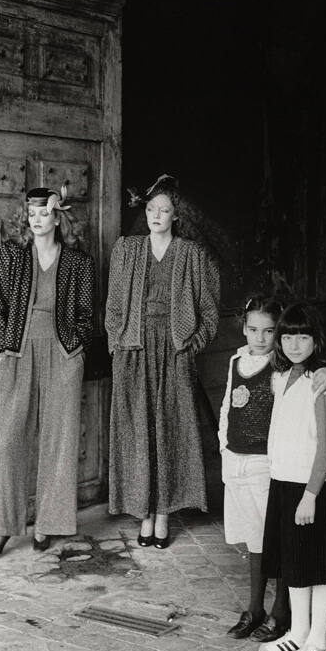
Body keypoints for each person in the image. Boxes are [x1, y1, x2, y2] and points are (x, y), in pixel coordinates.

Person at [0, 186, 95, 563]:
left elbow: (85, 315)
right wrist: (0, 352)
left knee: (58, 441)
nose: (37, 219)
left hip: (61, 355)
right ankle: (0, 529)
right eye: (32, 213)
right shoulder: (10, 255)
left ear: (58, 217)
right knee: (9, 441)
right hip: (16, 351)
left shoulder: (78, 262)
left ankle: (48, 523)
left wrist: (72, 348)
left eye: (44, 213)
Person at [219, 296, 326, 641]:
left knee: (291, 548)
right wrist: (223, 449)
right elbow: (227, 409)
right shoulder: (249, 365)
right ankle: (265, 612)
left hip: (285, 474)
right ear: (244, 328)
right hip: (253, 466)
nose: (261, 338)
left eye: (271, 331)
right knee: (262, 541)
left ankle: (287, 618)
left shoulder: (298, 374)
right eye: (253, 329)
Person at [105, 174, 220, 548]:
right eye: (152, 208)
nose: (157, 215)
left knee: (170, 430)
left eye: (164, 210)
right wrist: (117, 345)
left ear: (175, 216)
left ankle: (166, 513)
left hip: (173, 351)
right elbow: (114, 304)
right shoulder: (127, 250)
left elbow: (209, 309)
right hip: (134, 350)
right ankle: (144, 512)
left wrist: (192, 345)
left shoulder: (191, 254)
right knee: (139, 430)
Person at [259, 301, 326, 651]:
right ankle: (297, 633)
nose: (295, 344)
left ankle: (318, 642)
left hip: (310, 489)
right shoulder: (281, 377)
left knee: (320, 566)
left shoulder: (323, 382)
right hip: (283, 483)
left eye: (303, 336)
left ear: (316, 339)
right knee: (294, 564)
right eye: (288, 337)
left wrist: (311, 494)